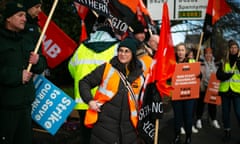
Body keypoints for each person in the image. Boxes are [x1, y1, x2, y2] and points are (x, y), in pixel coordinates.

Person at [79, 37, 144, 144]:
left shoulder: (140, 76)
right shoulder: (106, 68)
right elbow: (84, 82)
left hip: (129, 130)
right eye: (120, 50)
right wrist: (90, 101)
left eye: (126, 51)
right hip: (104, 127)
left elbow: (144, 99)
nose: (122, 54)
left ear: (133, 54)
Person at [0, 1, 47, 144]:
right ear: (8, 18)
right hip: (5, 108)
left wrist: (37, 61)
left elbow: (41, 65)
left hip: (26, 105)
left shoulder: (27, 38)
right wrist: (16, 76)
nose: (24, 19)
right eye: (20, 15)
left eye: (25, 16)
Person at [68, 17, 119, 144]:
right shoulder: (116, 48)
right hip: (105, 101)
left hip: (83, 101)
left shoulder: (82, 47)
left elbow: (71, 68)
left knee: (87, 136)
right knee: (105, 137)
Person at [172, 43, 198, 144]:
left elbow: (197, 76)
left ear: (185, 52)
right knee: (177, 117)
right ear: (176, 52)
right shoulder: (172, 62)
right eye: (178, 50)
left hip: (189, 95)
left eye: (182, 50)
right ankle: (177, 135)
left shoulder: (192, 62)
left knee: (188, 117)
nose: (180, 52)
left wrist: (198, 74)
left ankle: (188, 136)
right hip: (176, 95)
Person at [216, 39, 240, 142]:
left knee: (239, 113)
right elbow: (218, 75)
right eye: (231, 47)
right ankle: (227, 132)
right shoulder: (223, 61)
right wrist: (227, 75)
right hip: (225, 91)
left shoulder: (239, 60)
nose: (233, 49)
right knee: (225, 113)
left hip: (237, 91)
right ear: (229, 49)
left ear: (238, 49)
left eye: (235, 47)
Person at [196, 47, 220, 129]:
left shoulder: (215, 63)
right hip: (203, 86)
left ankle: (213, 119)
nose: (208, 55)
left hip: (212, 87)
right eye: (207, 53)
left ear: (212, 54)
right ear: (204, 54)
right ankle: (198, 119)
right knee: (200, 104)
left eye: (210, 53)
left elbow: (217, 74)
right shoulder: (200, 62)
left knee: (213, 104)